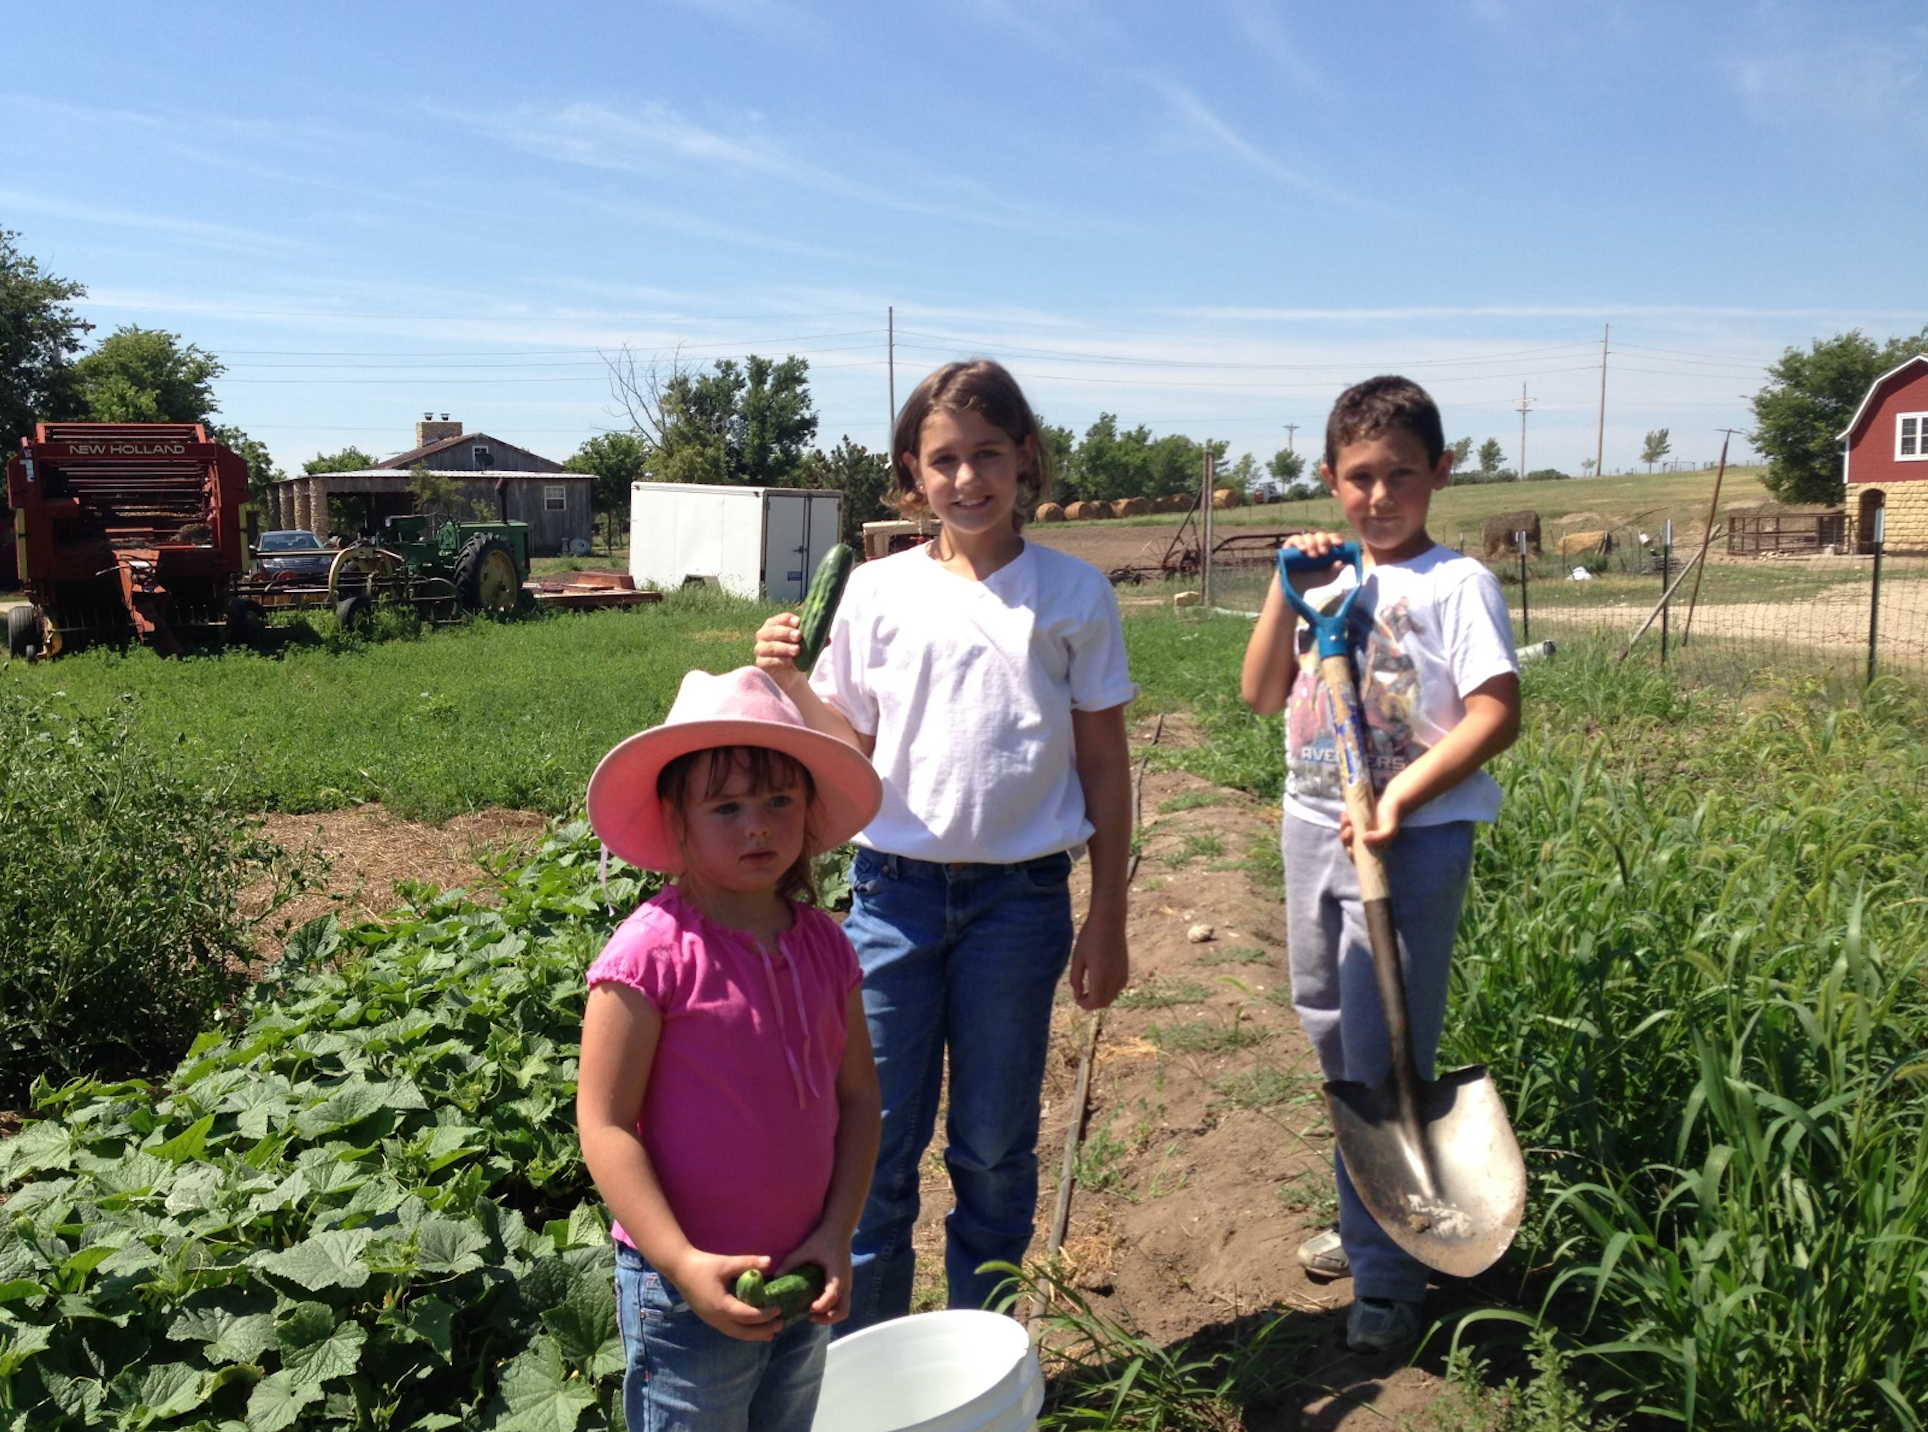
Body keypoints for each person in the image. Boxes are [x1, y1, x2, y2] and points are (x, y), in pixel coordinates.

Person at [754, 359, 1137, 1331]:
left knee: (994, 1151)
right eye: (942, 460)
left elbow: (1102, 766)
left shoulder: (1072, 595)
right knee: (873, 1148)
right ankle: (875, 1367)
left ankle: (980, 1361)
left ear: (1026, 459)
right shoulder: (877, 594)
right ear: (909, 474)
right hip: (894, 896)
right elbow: (852, 750)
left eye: (987, 455)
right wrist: (796, 685)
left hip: (1021, 904)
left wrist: (1108, 919)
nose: (966, 479)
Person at [1239, 375, 1522, 1354]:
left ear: (1439, 472)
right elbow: (1256, 690)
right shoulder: (1327, 577)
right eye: (1356, 477)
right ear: (1329, 479)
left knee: (1384, 1043)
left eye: (1400, 474)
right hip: (1312, 820)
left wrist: (1401, 796)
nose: (1377, 495)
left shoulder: (1455, 584)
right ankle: (1370, 1217)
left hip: (1413, 838)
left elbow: (1496, 711)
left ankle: (1393, 1278)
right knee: (1327, 1027)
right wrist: (1284, 594)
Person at [576, 665, 886, 1431]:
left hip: (802, 1276)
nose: (757, 824)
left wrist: (836, 1235)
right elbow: (604, 1124)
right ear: (676, 821)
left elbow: (858, 1099)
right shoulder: (648, 955)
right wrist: (681, 1263)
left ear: (810, 811)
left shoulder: (825, 945)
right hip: (686, 1295)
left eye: (779, 800)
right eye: (727, 805)